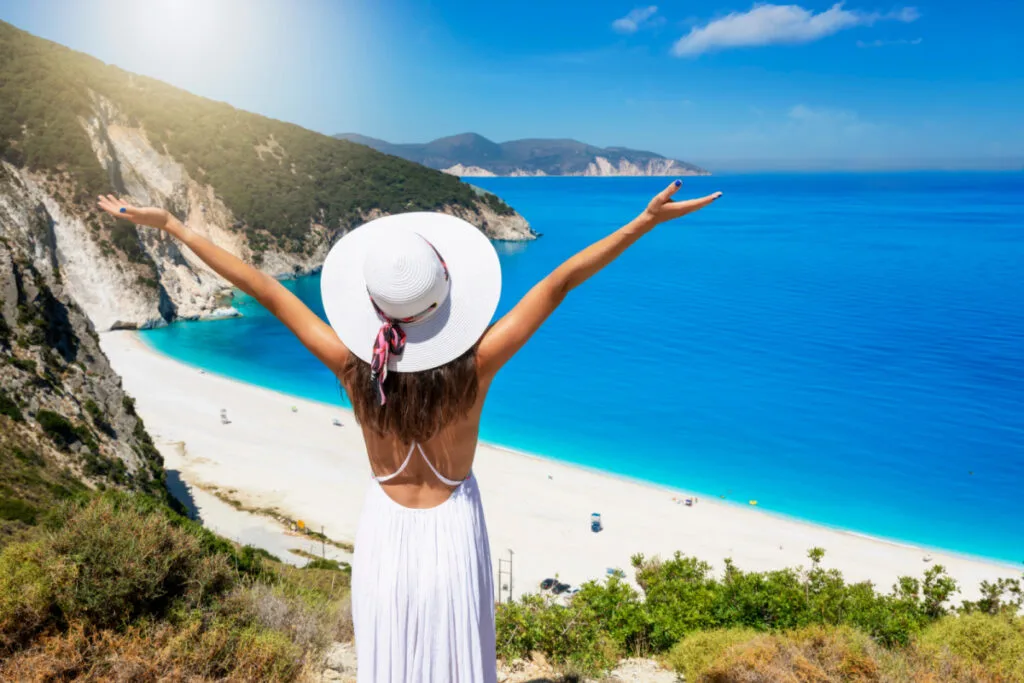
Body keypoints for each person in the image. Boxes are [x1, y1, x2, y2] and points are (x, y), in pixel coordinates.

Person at [97, 180, 721, 683]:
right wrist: (643, 222)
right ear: (443, 302)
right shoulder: (477, 367)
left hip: (386, 540)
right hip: (454, 535)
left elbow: (258, 285)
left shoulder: (352, 370)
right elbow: (557, 283)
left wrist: (171, 225)